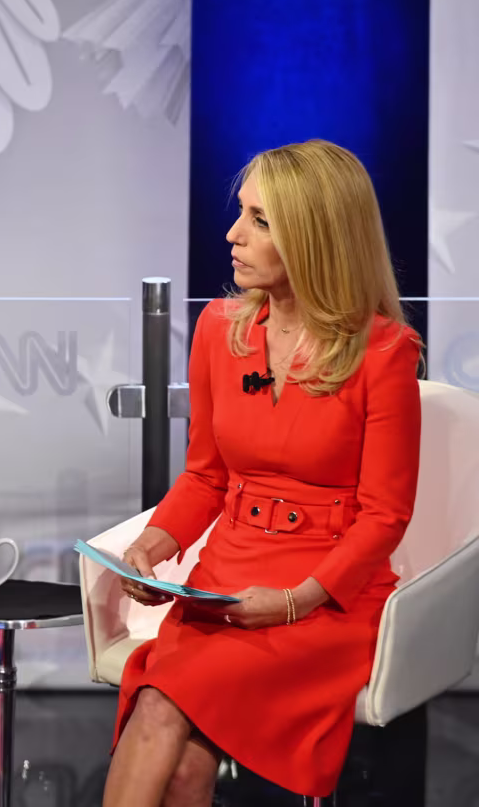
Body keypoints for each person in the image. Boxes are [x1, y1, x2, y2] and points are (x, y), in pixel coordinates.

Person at [102, 140, 423, 806]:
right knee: (183, 759)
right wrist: (152, 548)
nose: (232, 234)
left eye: (259, 220)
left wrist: (296, 600)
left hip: (327, 597)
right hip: (227, 578)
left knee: (160, 709)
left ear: (313, 237)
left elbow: (385, 516)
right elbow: (205, 479)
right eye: (240, 213)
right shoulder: (220, 329)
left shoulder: (383, 352)